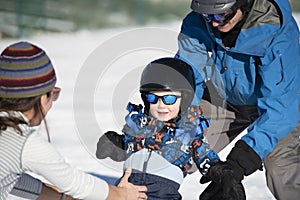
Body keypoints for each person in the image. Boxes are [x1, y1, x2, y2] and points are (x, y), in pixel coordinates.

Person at [175, 0, 300, 199]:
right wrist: (182, 113)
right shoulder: (200, 21)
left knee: (280, 170)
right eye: (207, 15)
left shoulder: (275, 31)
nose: (214, 23)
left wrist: (238, 163)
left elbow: (281, 109)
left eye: (221, 15)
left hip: (280, 104)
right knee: (175, 146)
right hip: (226, 98)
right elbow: (189, 73)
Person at [0, 41, 147, 200]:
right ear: (42, 97)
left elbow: (11, 181)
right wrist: (122, 195)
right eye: (53, 94)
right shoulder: (23, 142)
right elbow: (76, 184)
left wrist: (63, 197)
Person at [96, 57, 220, 200]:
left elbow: (205, 155)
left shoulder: (188, 132)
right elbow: (129, 146)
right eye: (152, 98)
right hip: (126, 189)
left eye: (169, 99)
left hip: (162, 193)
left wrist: (221, 172)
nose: (161, 105)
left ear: (184, 99)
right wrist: (115, 144)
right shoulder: (140, 125)